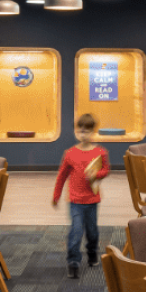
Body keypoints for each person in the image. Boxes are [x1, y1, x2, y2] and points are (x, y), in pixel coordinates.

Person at [52, 113, 110, 278]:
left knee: (92, 232)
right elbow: (62, 176)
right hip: (75, 201)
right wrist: (56, 196)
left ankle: (92, 253)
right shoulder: (70, 153)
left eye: (87, 131)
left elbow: (106, 170)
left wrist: (95, 175)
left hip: (92, 200)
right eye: (81, 131)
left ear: (93, 132)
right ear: (76, 132)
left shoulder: (100, 152)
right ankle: (73, 262)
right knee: (76, 230)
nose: (84, 134)